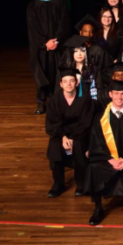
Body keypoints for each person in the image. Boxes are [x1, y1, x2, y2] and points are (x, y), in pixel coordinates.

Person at [85, 81, 123, 226]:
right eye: (116, 93)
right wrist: (109, 159)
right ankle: (98, 208)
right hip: (107, 160)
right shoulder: (100, 117)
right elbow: (96, 142)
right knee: (94, 168)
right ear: (110, 94)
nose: (120, 97)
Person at [44, 68, 94, 197]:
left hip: (80, 132)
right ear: (60, 84)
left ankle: (81, 183)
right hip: (60, 133)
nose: (69, 84)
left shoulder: (85, 99)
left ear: (77, 82)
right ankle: (58, 183)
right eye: (65, 81)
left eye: (71, 81)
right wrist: (63, 137)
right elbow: (52, 122)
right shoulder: (54, 100)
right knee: (54, 146)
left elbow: (86, 122)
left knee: (78, 144)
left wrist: (73, 137)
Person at [27, 0, 71, 114]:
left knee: (57, 71)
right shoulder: (33, 4)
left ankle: (56, 101)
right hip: (42, 46)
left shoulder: (62, 1)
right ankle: (41, 102)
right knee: (42, 72)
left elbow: (65, 23)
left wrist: (56, 40)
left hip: (58, 45)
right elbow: (32, 27)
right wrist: (45, 43)